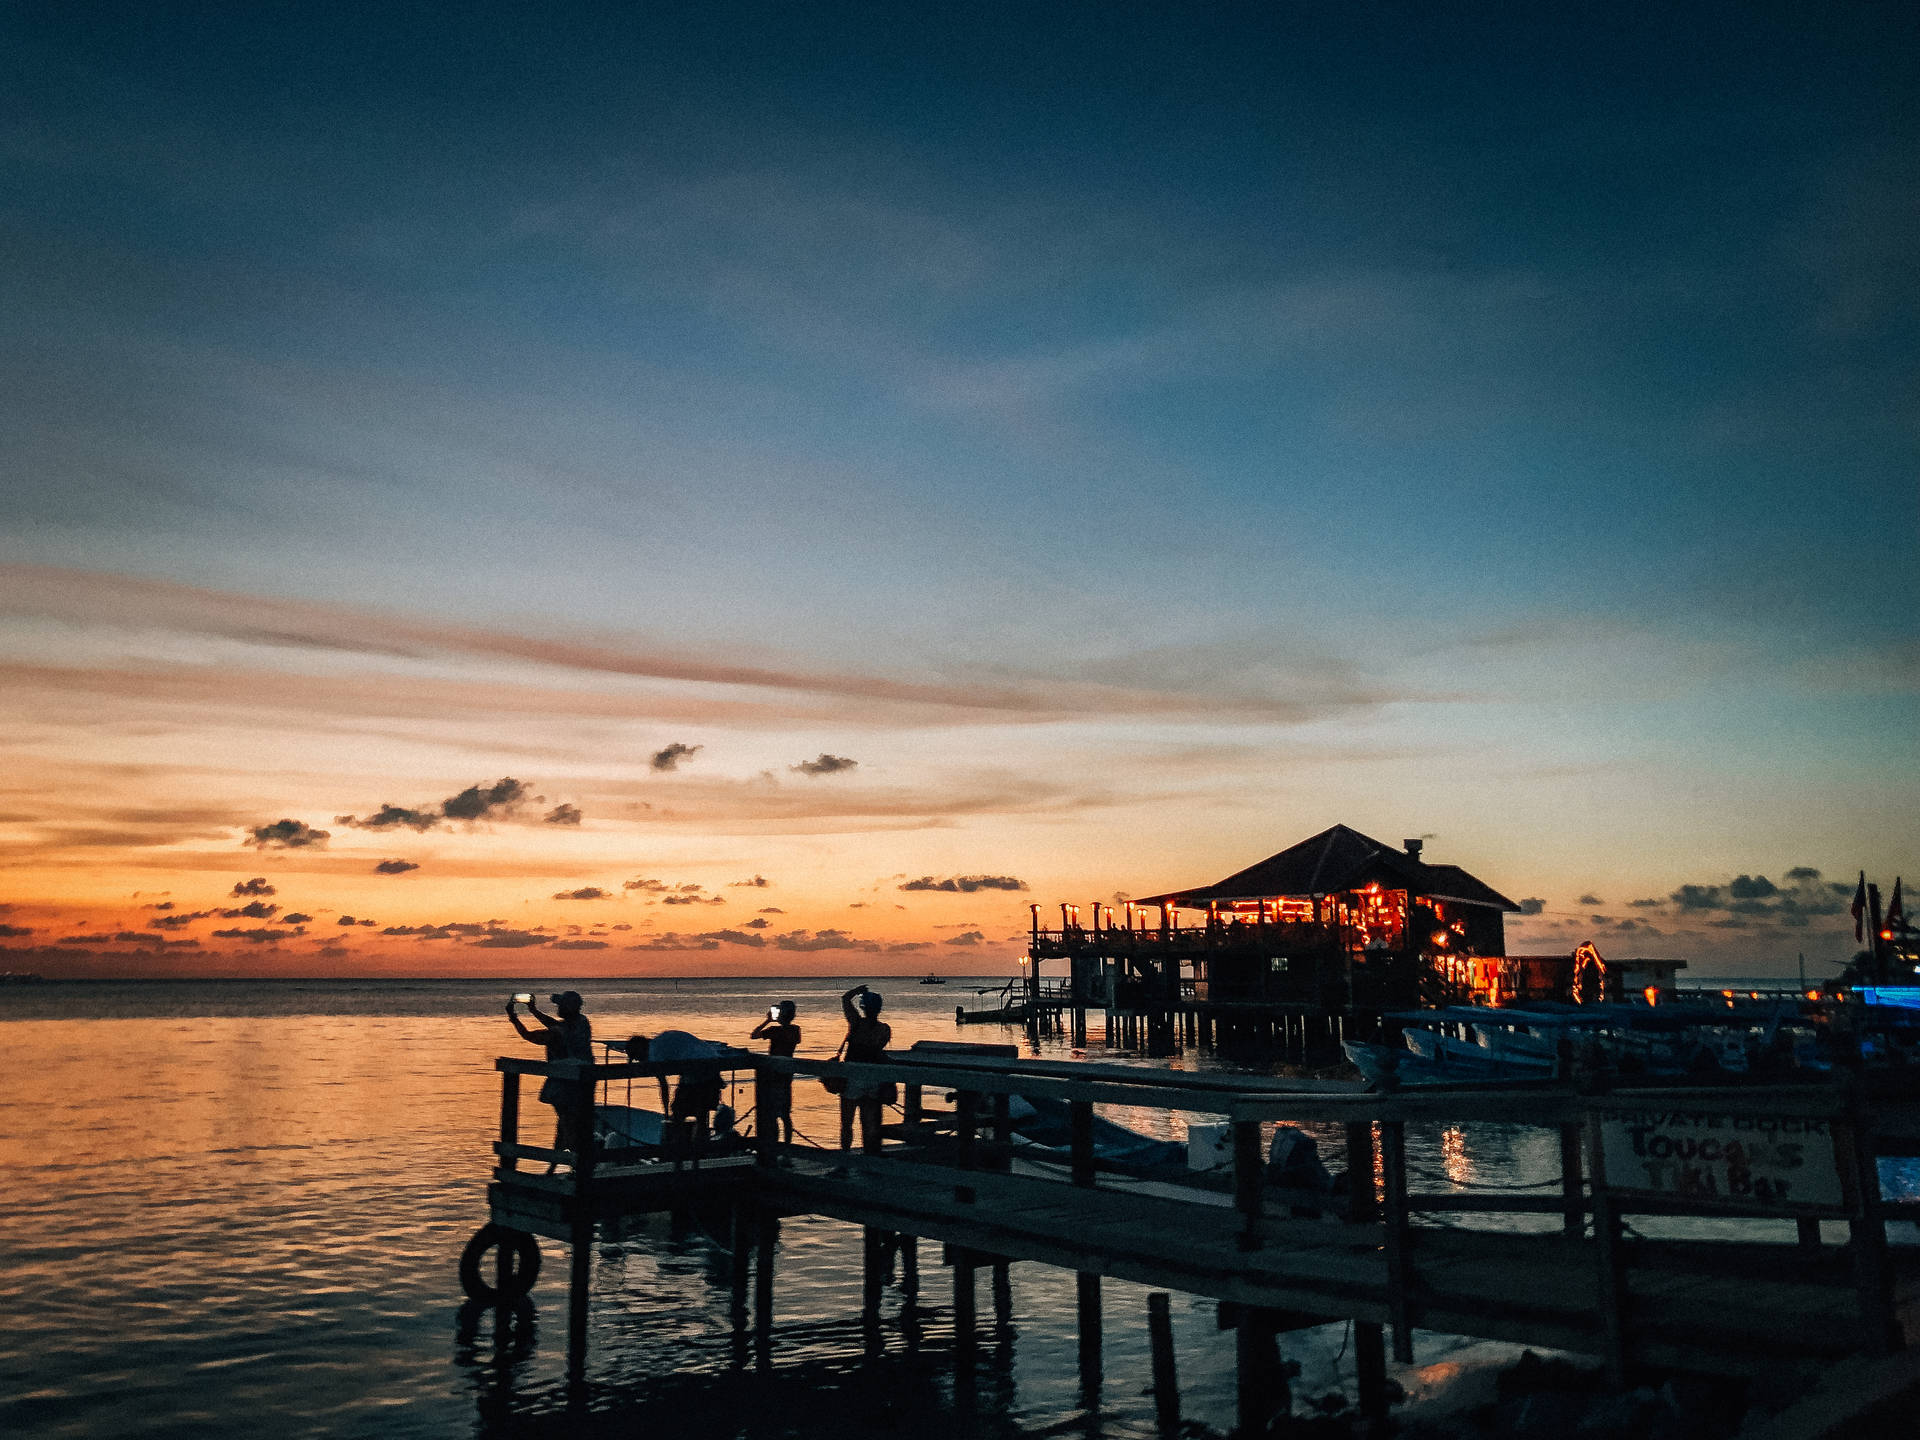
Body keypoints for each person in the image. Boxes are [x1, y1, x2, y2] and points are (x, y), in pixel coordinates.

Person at [508, 991, 593, 1168]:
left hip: (564, 1085)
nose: (558, 1008)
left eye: (561, 1005)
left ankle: (576, 1165)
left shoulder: (558, 1032)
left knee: (567, 1126)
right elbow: (555, 1024)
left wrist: (514, 1018)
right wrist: (533, 1011)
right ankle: (558, 1166)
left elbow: (529, 1036)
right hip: (584, 1082)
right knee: (571, 1123)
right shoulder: (582, 1023)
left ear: (568, 1007)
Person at [839, 984, 893, 1150]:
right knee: (869, 1124)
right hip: (872, 1078)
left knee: (847, 1123)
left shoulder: (856, 1023)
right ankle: (869, 1158)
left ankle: (845, 1160)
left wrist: (857, 990)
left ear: (863, 1007)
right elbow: (878, 1051)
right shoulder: (884, 1029)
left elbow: (845, 999)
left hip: (853, 1077)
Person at [750, 1001, 801, 1144]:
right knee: (785, 1114)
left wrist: (768, 1020)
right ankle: (786, 1146)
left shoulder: (775, 1030)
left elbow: (753, 1035)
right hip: (786, 1076)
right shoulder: (795, 1030)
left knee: (773, 1114)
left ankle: (775, 1145)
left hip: (774, 1077)